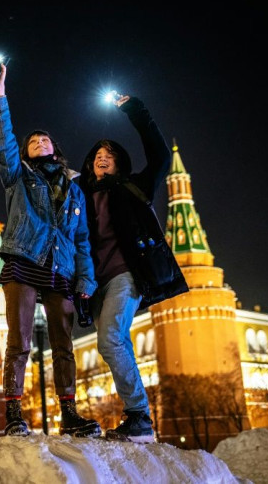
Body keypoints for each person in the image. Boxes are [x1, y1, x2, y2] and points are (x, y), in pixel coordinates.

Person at [0, 62, 101, 438]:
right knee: (19, 340)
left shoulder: (74, 189)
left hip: (61, 270)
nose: (38, 142)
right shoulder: (18, 176)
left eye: (44, 140)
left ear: (55, 148)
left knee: (64, 346)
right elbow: (4, 142)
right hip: (23, 262)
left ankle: (69, 415)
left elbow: (82, 239)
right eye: (32, 142)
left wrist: (85, 278)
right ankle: (15, 414)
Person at [78, 93, 189, 443]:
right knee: (115, 342)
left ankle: (139, 415)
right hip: (95, 284)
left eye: (109, 156)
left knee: (109, 339)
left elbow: (158, 155)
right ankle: (138, 419)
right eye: (97, 155)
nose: (102, 159)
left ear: (119, 163)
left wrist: (135, 109)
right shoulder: (79, 194)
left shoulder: (133, 188)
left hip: (126, 275)